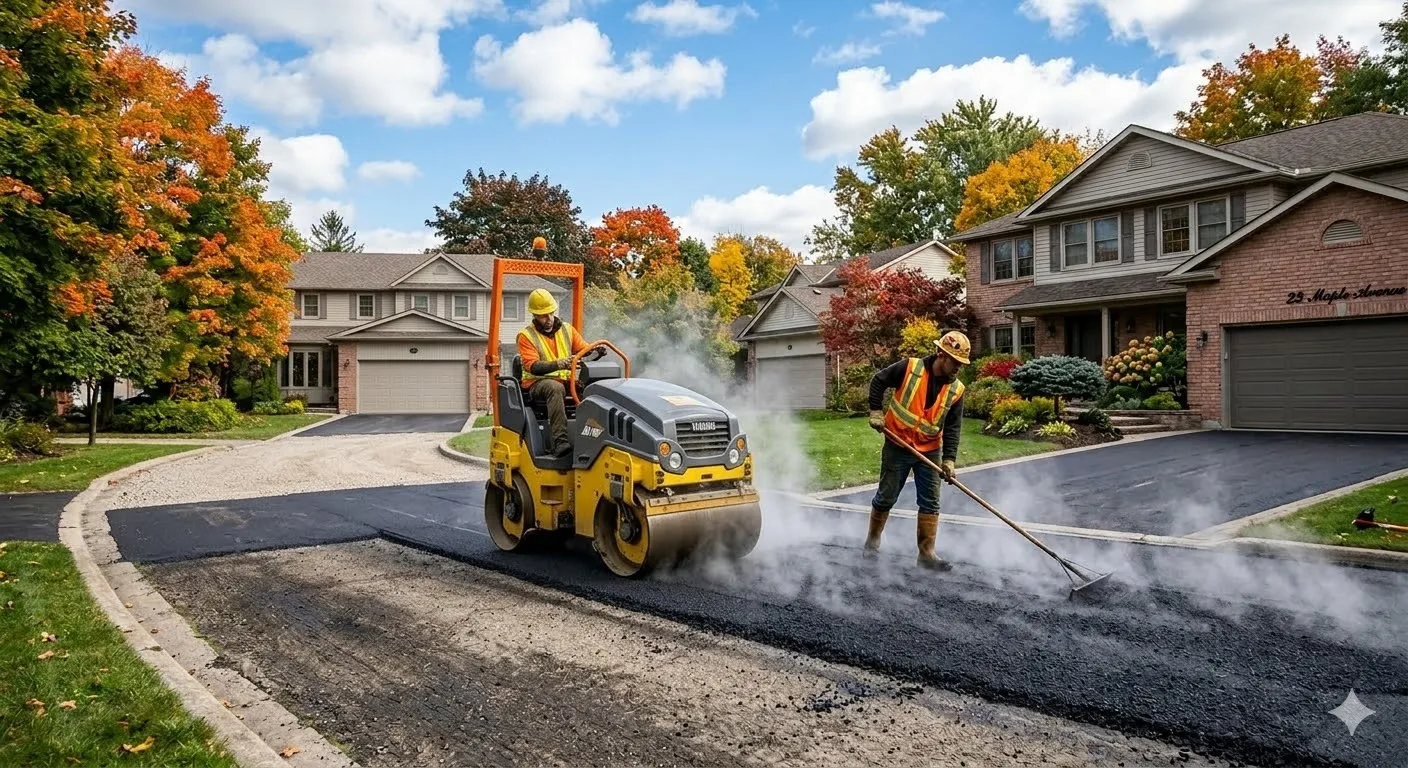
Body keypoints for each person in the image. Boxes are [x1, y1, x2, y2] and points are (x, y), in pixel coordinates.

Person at [863, 330, 970, 570]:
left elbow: (953, 428)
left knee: (931, 501)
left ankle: (926, 554)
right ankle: (872, 542)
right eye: (956, 362)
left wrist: (950, 460)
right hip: (897, 444)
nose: (958, 368)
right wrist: (875, 411)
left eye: (962, 364)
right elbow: (878, 381)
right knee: (886, 496)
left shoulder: (957, 390)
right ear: (940, 354)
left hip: (930, 449)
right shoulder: (910, 368)